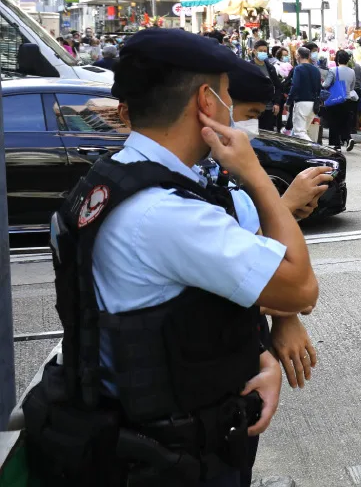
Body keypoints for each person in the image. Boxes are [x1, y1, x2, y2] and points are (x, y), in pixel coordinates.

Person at [23, 29, 318, 486]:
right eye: (225, 95)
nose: (231, 109)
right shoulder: (168, 214)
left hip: (127, 440)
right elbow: (300, 287)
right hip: (172, 458)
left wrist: (255, 355)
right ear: (206, 101)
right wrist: (256, 175)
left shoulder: (108, 182)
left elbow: (175, 317)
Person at [325, 50, 358, 151]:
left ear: (337, 59)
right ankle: (348, 138)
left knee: (334, 122)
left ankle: (337, 145)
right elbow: (352, 86)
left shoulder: (333, 70)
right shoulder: (352, 71)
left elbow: (326, 84)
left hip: (335, 100)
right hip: (347, 100)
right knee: (344, 122)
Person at [289, 46, 322, 142]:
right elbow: (319, 87)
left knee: (299, 132)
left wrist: (288, 101)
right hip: (313, 104)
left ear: (298, 55)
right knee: (299, 132)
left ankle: (313, 148)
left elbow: (295, 86)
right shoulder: (316, 70)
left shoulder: (298, 69)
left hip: (301, 102)